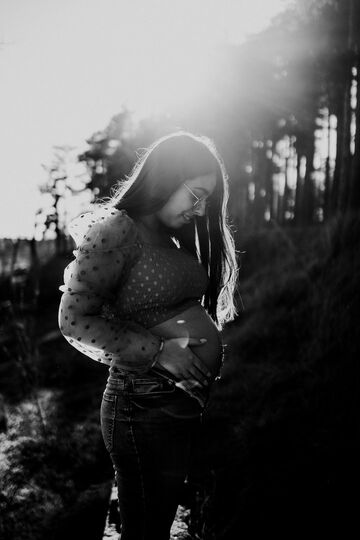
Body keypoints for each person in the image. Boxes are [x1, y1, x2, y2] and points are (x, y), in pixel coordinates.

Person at [58, 131, 238, 540]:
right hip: (141, 404)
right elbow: (74, 319)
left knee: (158, 519)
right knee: (146, 530)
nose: (201, 208)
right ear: (164, 180)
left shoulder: (170, 238)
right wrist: (159, 352)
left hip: (173, 404)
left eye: (207, 199)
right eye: (195, 194)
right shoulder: (117, 231)